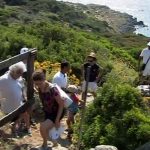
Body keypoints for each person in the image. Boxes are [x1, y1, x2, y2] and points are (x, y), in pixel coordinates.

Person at [32, 70, 65, 149]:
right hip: (48, 111)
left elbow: (61, 104)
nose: (38, 85)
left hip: (56, 112)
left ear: (44, 80)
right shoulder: (40, 88)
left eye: (40, 83)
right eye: (36, 84)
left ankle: (45, 145)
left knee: (43, 127)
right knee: (48, 130)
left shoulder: (53, 89)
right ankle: (54, 143)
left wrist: (57, 120)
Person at [0, 62, 31, 137]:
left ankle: (26, 129)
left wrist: (24, 96)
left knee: (24, 115)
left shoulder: (19, 78)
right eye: (19, 73)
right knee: (12, 119)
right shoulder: (3, 80)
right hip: (8, 105)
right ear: (13, 71)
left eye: (22, 72)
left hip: (19, 103)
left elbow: (22, 88)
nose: (21, 74)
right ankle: (13, 131)